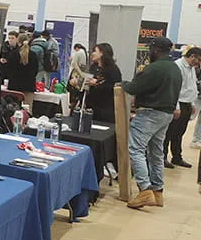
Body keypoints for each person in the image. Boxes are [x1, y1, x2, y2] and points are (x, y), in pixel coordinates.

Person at [123, 37, 182, 210]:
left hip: (149, 113)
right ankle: (158, 191)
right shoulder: (175, 68)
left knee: (136, 149)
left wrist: (123, 84)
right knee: (156, 152)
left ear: (156, 50)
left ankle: (145, 190)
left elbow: (133, 88)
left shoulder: (155, 68)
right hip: (166, 114)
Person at [163, 47, 200, 169]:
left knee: (179, 133)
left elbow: (191, 86)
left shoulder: (191, 68)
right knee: (169, 133)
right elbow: (175, 88)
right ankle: (162, 158)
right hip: (179, 104)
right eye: (199, 60)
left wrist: (192, 103)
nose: (199, 63)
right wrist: (176, 107)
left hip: (187, 104)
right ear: (192, 56)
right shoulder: (178, 66)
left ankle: (177, 157)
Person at [83, 43, 122, 123]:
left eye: (95, 51)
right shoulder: (93, 67)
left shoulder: (113, 69)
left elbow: (114, 87)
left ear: (102, 53)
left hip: (105, 109)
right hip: (91, 107)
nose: (92, 53)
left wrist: (98, 83)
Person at [7, 33, 39, 107]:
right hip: (29, 85)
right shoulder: (33, 55)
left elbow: (8, 70)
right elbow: (35, 71)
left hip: (14, 86)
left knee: (13, 108)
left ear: (18, 42)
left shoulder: (13, 54)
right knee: (27, 108)